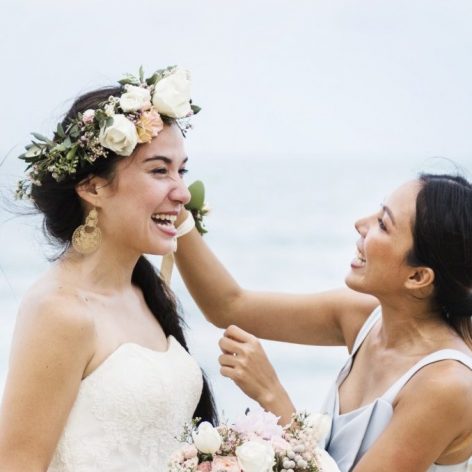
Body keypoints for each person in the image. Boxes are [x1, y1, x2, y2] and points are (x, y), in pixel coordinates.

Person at [174, 174, 472, 471]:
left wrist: (271, 393)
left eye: (383, 224)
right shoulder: (363, 316)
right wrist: (175, 211)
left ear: (417, 277)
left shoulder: (446, 386)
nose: (361, 223)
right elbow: (229, 305)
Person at [0, 66, 217, 471]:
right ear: (93, 187)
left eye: (181, 170)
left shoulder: (149, 294)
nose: (183, 192)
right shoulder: (60, 312)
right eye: (159, 170)